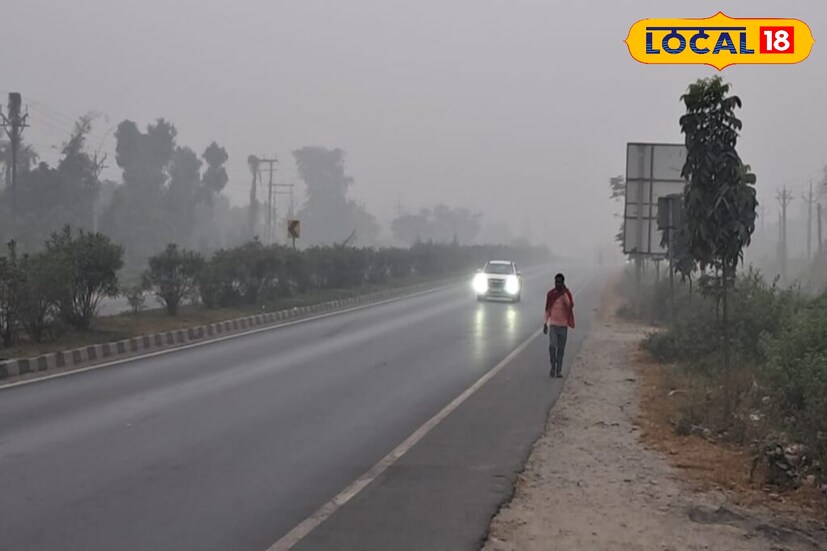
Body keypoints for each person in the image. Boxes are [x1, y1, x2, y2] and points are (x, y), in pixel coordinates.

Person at [543, 273, 575, 378]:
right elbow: (547, 310)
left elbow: (569, 305)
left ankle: (558, 371)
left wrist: (563, 292)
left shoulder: (566, 294)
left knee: (561, 350)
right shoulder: (551, 294)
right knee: (552, 346)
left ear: (563, 283)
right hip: (553, 326)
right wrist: (545, 323)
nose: (557, 284)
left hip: (563, 326)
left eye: (559, 282)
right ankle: (553, 365)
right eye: (556, 282)